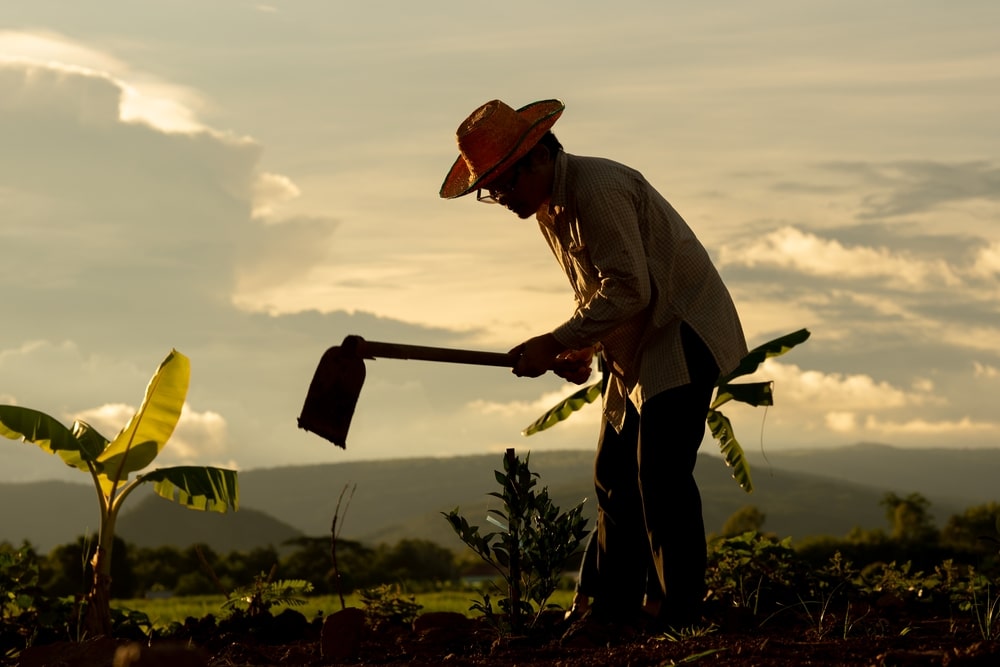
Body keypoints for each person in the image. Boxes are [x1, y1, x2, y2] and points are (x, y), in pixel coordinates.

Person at [439, 99, 748, 630]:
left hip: (680, 333)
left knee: (661, 477)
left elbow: (631, 289)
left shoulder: (596, 189)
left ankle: (677, 618)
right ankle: (612, 612)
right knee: (613, 478)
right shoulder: (550, 209)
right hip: (638, 348)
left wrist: (554, 340)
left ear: (536, 158)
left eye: (502, 184)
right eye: (490, 190)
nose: (500, 198)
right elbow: (599, 293)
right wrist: (580, 347)